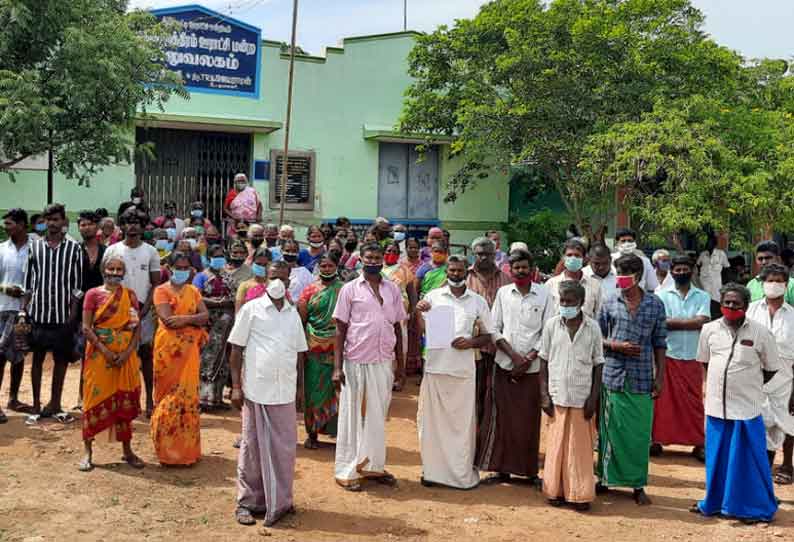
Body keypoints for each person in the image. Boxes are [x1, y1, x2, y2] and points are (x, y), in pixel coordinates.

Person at [227, 261, 307, 526]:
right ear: (265, 279)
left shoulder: (293, 314)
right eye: (273, 277)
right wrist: (236, 387)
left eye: (283, 279)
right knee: (252, 448)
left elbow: (299, 354)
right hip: (256, 390)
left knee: (284, 449)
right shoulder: (251, 310)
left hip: (284, 390)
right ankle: (248, 502)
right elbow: (236, 350)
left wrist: (299, 389)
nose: (277, 283)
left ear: (288, 282)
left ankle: (281, 501)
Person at [693, 284, 780, 524]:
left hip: (746, 409)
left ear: (746, 306)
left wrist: (748, 384)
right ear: (721, 304)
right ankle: (716, 503)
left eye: (736, 303)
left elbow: (771, 368)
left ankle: (750, 507)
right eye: (727, 302)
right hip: (716, 408)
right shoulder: (709, 330)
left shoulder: (761, 333)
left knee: (747, 462)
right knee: (717, 459)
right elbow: (704, 362)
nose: (731, 307)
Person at [332, 243, 408, 491]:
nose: (374, 261)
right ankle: (348, 470)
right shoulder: (349, 289)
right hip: (355, 360)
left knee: (377, 415)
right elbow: (340, 329)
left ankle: (373, 466)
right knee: (353, 415)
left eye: (377, 257)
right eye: (369, 257)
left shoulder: (393, 289)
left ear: (383, 260)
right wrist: (336, 367)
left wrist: (401, 365)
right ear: (361, 260)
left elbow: (397, 326)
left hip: (383, 360)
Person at [415, 256, 493, 489]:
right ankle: (432, 473)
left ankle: (459, 476)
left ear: (466, 272)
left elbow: (489, 335)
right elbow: (422, 328)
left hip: (462, 373)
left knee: (461, 427)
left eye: (460, 270)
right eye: (452, 270)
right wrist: (420, 313)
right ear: (446, 271)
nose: (456, 274)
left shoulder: (478, 302)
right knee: (431, 425)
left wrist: (470, 342)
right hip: (436, 369)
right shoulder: (433, 298)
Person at [476, 249, 551, 485]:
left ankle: (529, 472)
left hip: (532, 368)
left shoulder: (545, 294)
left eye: (524, 267)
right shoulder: (503, 293)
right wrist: (513, 356)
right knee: (501, 418)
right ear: (511, 269)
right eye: (516, 267)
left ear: (532, 268)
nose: (521, 271)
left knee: (528, 421)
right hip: (504, 363)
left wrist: (527, 358)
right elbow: (493, 327)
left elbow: (548, 330)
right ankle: (501, 470)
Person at [596, 253, 667, 505]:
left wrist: (660, 377)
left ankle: (637, 484)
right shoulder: (608, 303)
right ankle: (605, 479)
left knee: (639, 434)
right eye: (618, 274)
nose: (621, 280)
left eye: (625, 275)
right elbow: (596, 339)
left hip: (642, 376)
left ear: (637, 277)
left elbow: (660, 343)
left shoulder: (655, 305)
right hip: (612, 375)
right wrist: (616, 345)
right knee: (610, 431)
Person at [539, 281, 604, 510]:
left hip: (581, 396)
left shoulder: (593, 327)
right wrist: (544, 394)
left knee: (580, 449)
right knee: (556, 446)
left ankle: (579, 494)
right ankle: (554, 491)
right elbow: (544, 359)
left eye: (571, 301)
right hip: (557, 395)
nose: (565, 305)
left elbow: (598, 364)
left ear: (581, 302)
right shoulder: (551, 325)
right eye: (562, 301)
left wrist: (593, 398)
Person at [78, 256, 144, 471]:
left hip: (125, 356)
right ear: (103, 270)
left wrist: (127, 352)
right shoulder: (92, 294)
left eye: (119, 269)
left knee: (123, 399)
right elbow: (86, 328)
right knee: (92, 399)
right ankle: (88, 451)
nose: (114, 273)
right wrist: (105, 351)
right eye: (111, 268)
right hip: (99, 356)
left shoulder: (130, 296)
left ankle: (127, 450)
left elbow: (136, 327)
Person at [21, 203, 83, 419]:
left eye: (56, 219)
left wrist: (73, 316)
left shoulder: (73, 248)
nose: (52, 223)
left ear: (63, 222)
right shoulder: (34, 247)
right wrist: (23, 311)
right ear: (44, 222)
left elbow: (77, 287)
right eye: (48, 220)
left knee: (61, 360)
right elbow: (29, 283)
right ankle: (36, 404)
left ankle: (55, 403)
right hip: (38, 314)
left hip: (62, 316)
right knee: (36, 358)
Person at [151, 251, 209, 466]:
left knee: (188, 397)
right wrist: (195, 321)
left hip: (190, 351)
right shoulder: (161, 291)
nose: (182, 271)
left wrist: (185, 318)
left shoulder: (193, 291)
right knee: (167, 397)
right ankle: (166, 451)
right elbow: (167, 320)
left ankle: (186, 451)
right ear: (170, 268)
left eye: (186, 268)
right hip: (167, 350)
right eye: (179, 267)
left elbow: (205, 316)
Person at [652, 255, 711, 460]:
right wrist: (690, 322)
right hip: (667, 354)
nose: (681, 273)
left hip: (693, 356)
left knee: (695, 401)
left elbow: (702, 321)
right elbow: (660, 322)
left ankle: (698, 442)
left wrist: (674, 322)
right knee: (663, 402)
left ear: (692, 270)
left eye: (685, 269)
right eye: (677, 270)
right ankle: (657, 440)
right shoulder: (661, 294)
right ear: (671, 271)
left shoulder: (702, 296)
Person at [104, 208, 161, 417]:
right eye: (129, 222)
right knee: (118, 355)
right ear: (123, 225)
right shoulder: (112, 250)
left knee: (145, 355)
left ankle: (148, 401)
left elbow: (156, 283)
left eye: (137, 222)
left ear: (144, 225)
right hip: (116, 310)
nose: (133, 225)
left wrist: (145, 310)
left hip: (143, 310)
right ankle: (118, 401)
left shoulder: (151, 252)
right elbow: (107, 281)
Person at [747, 264, 794, 486]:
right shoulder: (751, 311)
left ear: (786, 285)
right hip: (757, 377)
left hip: (786, 379)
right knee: (761, 421)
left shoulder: (793, 316)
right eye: (770, 280)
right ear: (762, 283)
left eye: (779, 281)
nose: (774, 284)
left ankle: (787, 465)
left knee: (788, 422)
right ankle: (764, 467)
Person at [297, 253, 344, 449]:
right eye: (323, 266)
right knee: (313, 392)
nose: (326, 269)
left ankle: (336, 433)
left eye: (330, 265)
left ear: (336, 266)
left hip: (338, 347)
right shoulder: (309, 291)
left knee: (337, 392)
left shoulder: (344, 290)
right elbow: (302, 321)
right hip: (313, 349)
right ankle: (312, 434)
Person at [0, 209, 33, 422]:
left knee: (19, 355)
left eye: (10, 223)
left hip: (25, 312)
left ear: (22, 225)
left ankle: (13, 399)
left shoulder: (35, 249)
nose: (6, 227)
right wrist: (5, 288)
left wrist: (27, 295)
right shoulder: (1, 249)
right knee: (0, 356)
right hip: (2, 309)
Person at [193, 245, 236, 411]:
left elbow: (234, 297)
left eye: (221, 256)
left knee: (223, 359)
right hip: (209, 323)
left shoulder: (227, 276)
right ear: (209, 258)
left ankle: (216, 399)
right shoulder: (201, 276)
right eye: (215, 256)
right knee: (207, 359)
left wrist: (225, 302)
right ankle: (203, 399)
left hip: (226, 323)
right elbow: (196, 297)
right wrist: (216, 302)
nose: (219, 259)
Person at [75, 211, 107, 409]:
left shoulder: (108, 251)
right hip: (78, 309)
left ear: (97, 227)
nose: (86, 227)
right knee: (83, 354)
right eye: (82, 224)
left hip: (103, 308)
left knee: (102, 352)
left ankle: (101, 395)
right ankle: (82, 397)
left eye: (89, 224)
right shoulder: (74, 250)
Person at [383, 241, 417, 390]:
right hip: (381, 315)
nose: (391, 254)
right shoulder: (377, 269)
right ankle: (385, 378)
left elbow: (411, 293)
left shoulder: (404, 270)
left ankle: (399, 377)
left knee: (400, 346)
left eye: (395, 252)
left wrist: (413, 312)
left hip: (400, 315)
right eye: (389, 251)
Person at [547, 239, 603, 319]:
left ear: (584, 259)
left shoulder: (594, 284)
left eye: (577, 255)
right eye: (569, 255)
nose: (573, 258)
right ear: (563, 258)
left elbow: (599, 313)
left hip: (587, 330)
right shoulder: (551, 284)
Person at [696, 234, 730, 316]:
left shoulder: (721, 254)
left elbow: (726, 269)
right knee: (703, 307)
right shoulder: (703, 254)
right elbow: (697, 266)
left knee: (716, 308)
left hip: (716, 286)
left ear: (715, 244)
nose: (708, 245)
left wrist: (725, 284)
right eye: (707, 243)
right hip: (704, 285)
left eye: (710, 243)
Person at [235, 248, 271, 312]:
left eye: (265, 265)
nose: (262, 267)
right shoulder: (244, 285)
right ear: (252, 263)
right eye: (258, 264)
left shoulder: (274, 285)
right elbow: (238, 312)